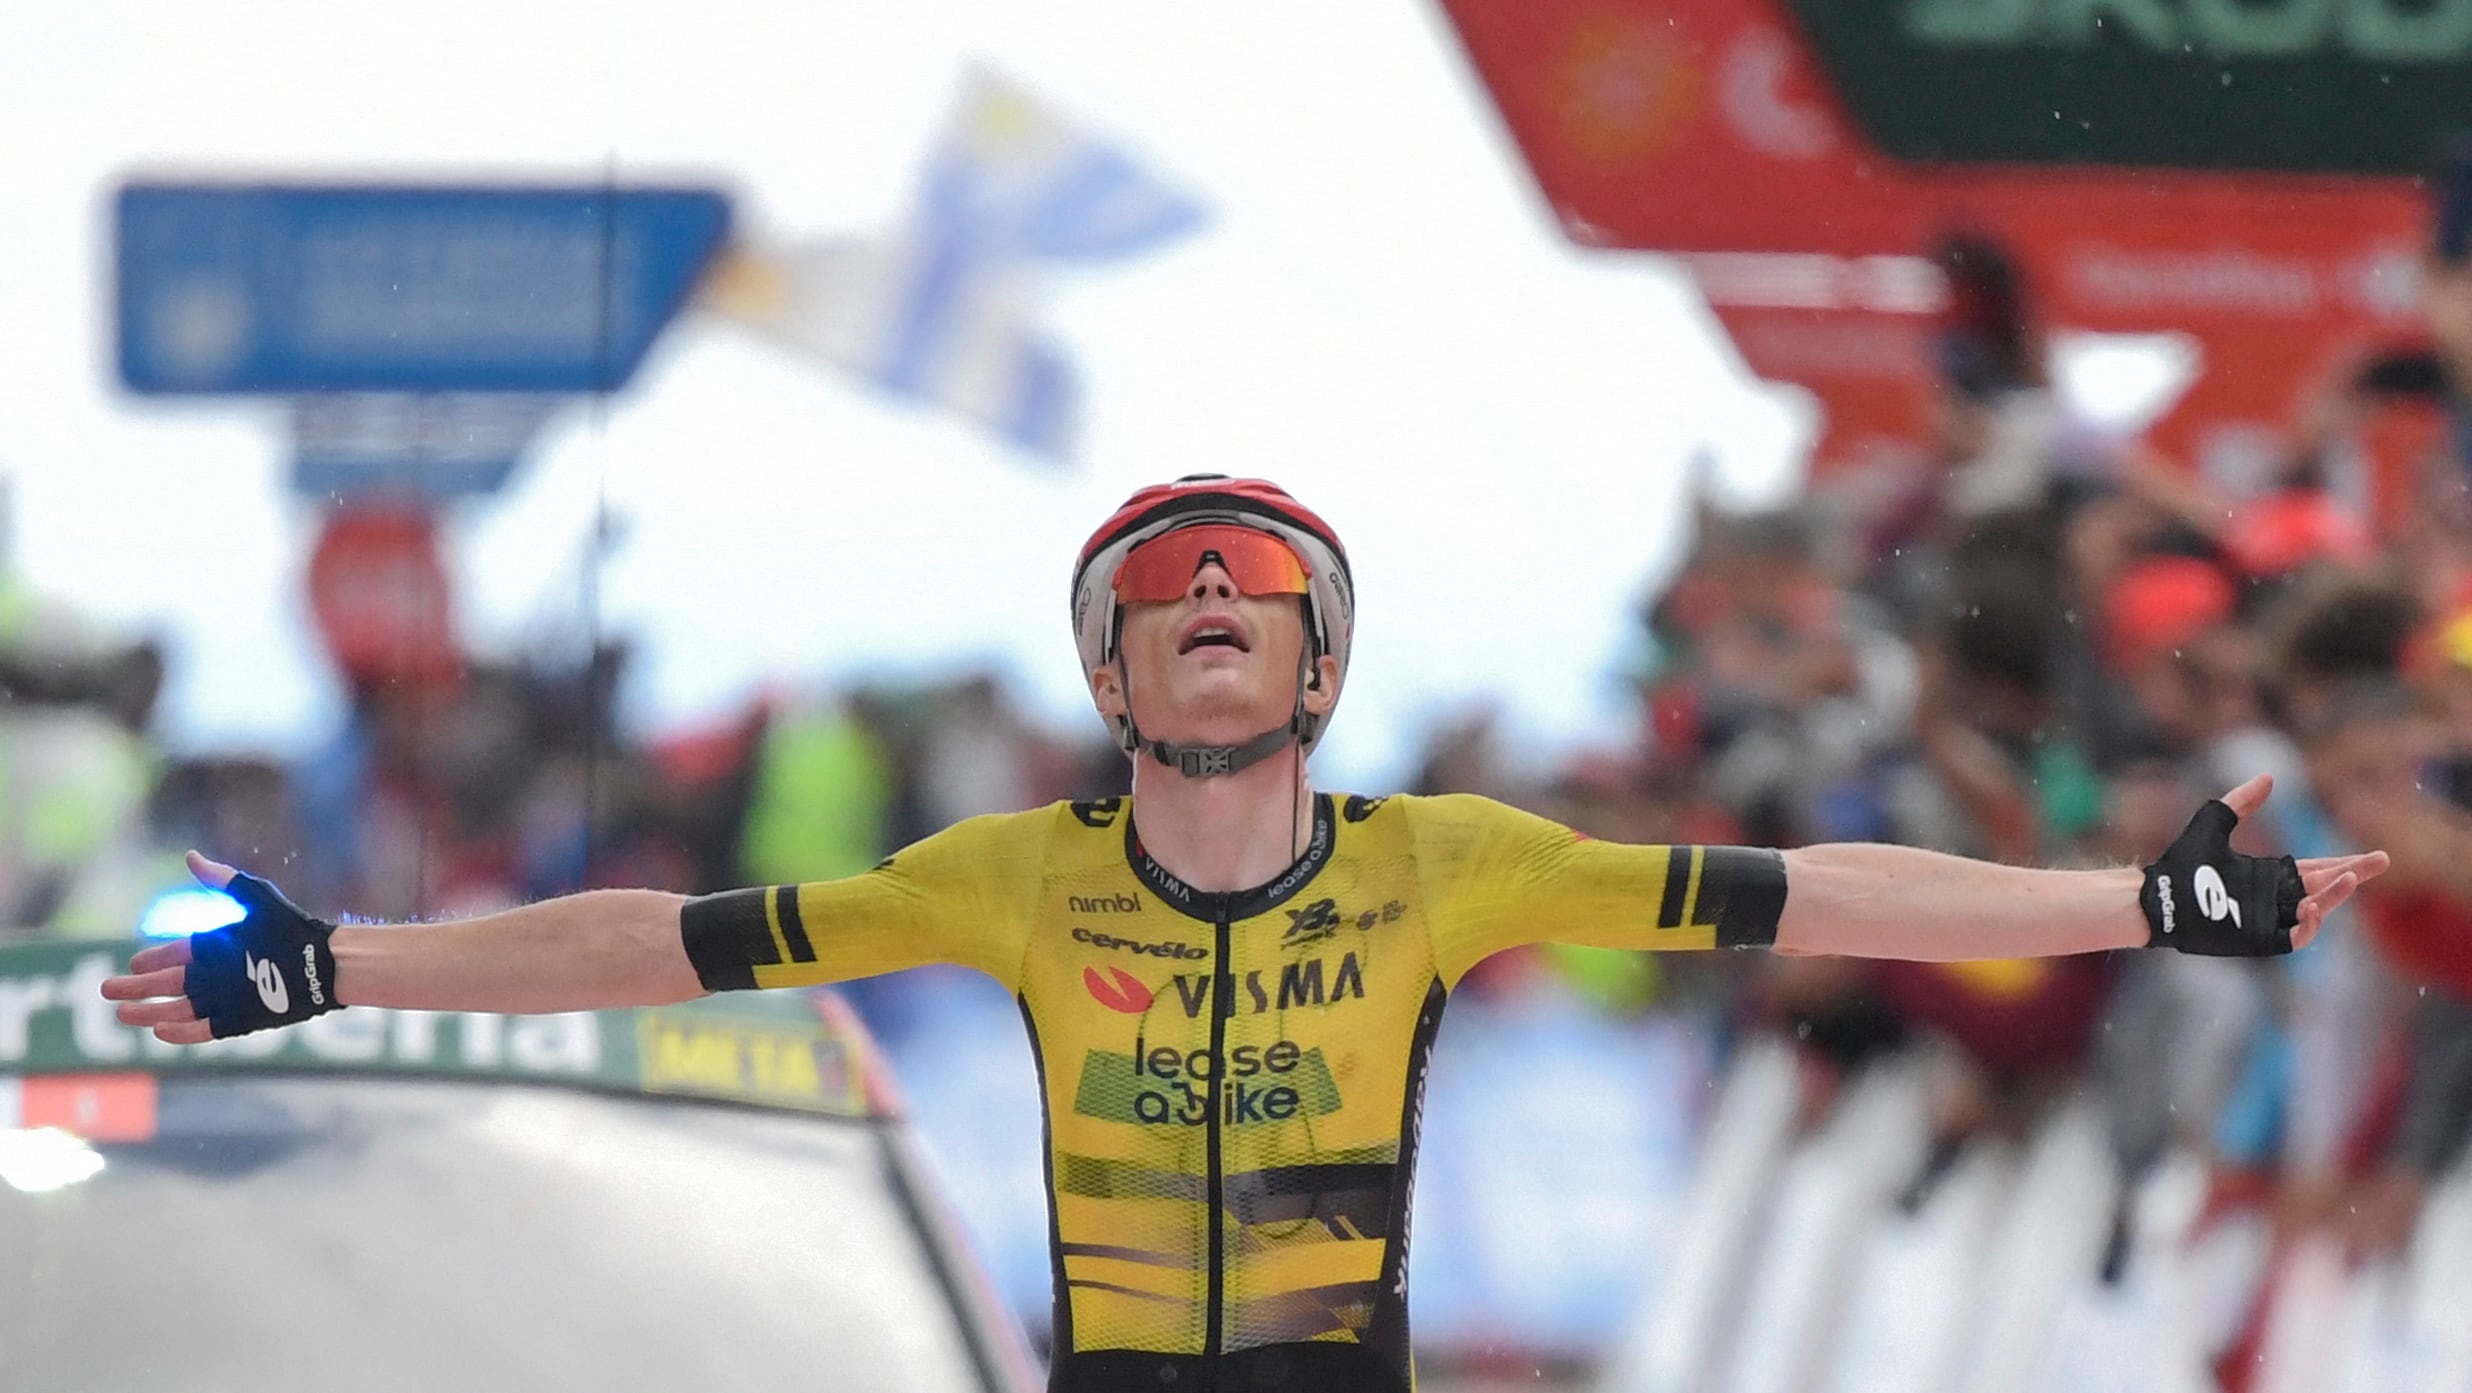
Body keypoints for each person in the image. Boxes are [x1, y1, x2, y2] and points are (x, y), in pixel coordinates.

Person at [103, 475, 2384, 1393]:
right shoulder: (1002, 874)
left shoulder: (1442, 862)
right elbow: (645, 945)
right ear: (1107, 681)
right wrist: (338, 961)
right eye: (1165, 607)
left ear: (1320, 671)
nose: (1211, 618)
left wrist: (2142, 902)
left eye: (1254, 603)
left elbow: (1831, 893)